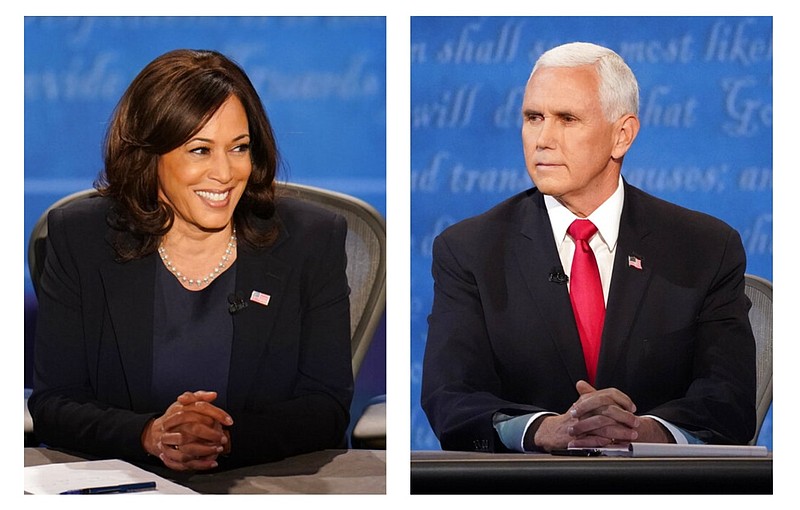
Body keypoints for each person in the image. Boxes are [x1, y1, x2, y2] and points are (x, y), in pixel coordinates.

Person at [421, 42, 756, 453]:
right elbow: (451, 399)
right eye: (533, 117)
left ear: (622, 135)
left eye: (567, 119)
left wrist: (637, 433)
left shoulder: (705, 248)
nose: (543, 139)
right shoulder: (469, 249)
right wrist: (544, 430)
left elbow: (729, 403)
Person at [28, 49, 354, 471]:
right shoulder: (81, 238)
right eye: (200, 150)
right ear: (149, 154)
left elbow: (327, 407)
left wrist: (223, 439)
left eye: (239, 148)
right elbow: (55, 404)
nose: (225, 172)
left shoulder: (311, 239)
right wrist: (150, 435)